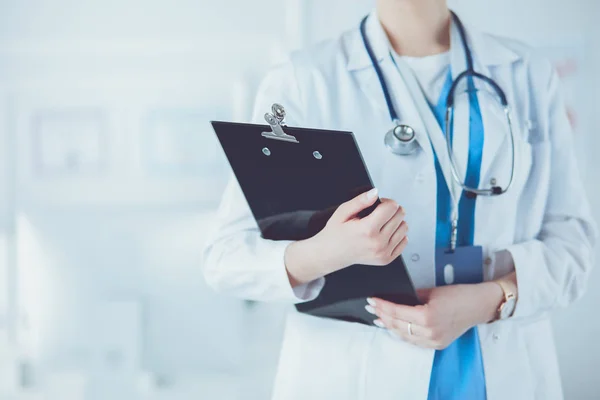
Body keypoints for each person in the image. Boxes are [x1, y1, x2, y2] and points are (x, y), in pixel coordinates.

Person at [203, 0, 597, 398]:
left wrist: (490, 299)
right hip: (354, 374)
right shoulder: (304, 81)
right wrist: (325, 252)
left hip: (501, 369)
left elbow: (574, 247)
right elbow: (225, 258)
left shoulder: (526, 72)